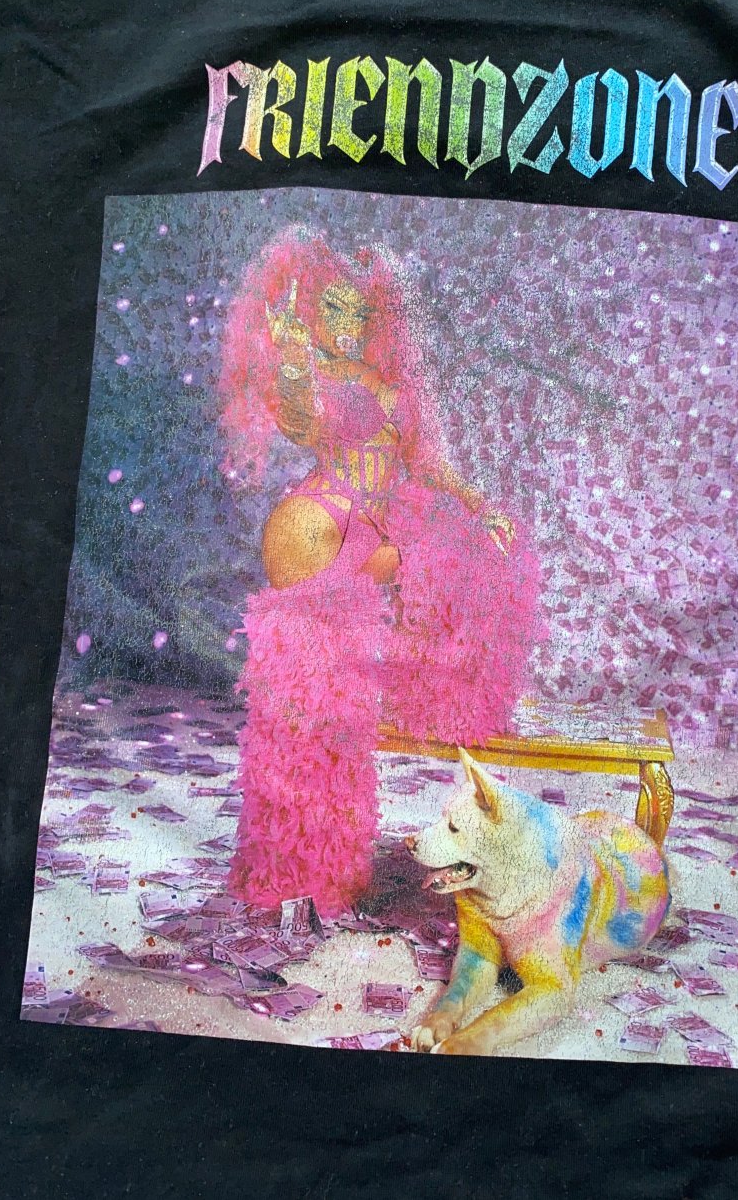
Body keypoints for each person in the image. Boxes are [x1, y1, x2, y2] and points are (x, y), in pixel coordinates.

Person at [219, 228, 542, 913]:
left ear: (377, 320)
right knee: (308, 693)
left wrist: (478, 504)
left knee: (473, 562)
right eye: (334, 307)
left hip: (386, 522)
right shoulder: (309, 373)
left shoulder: (395, 386)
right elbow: (302, 421)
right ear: (313, 312)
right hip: (320, 522)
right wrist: (294, 363)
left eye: (359, 311)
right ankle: (304, 867)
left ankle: (417, 706)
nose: (347, 322)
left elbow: (429, 466)